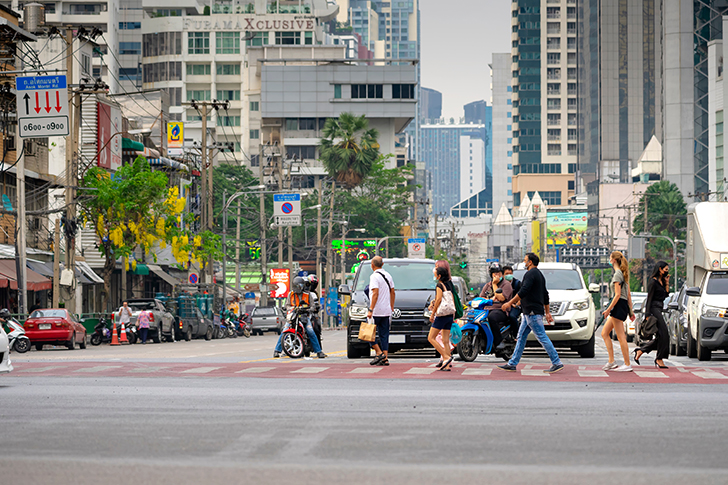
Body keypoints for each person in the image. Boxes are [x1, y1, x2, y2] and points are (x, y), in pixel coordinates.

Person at [499, 253, 564, 374]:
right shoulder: (539, 275)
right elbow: (544, 295)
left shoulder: (530, 274)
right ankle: (512, 363)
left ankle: (556, 362)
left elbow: (524, 291)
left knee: (541, 336)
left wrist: (509, 303)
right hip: (529, 312)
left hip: (532, 312)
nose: (524, 263)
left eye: (525, 260)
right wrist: (547, 312)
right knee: (521, 337)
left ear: (530, 262)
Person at [273, 276, 326, 359]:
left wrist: (307, 309)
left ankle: (319, 351)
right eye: (296, 286)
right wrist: (293, 308)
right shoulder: (291, 294)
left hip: (304, 316)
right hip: (293, 316)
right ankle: (277, 351)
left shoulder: (307, 295)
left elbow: (312, 306)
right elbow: (287, 305)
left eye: (299, 286)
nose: (298, 288)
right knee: (284, 330)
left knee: (310, 331)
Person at [600, 251, 636, 372]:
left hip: (619, 305)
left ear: (613, 260)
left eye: (610, 258)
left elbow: (617, 295)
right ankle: (612, 361)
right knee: (604, 333)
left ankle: (627, 364)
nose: (609, 260)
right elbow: (629, 295)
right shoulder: (623, 274)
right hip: (622, 305)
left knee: (621, 336)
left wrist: (607, 310)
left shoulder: (617, 275)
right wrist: (631, 312)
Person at [634, 261, 671, 368]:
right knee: (664, 334)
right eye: (665, 270)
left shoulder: (661, 281)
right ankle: (659, 358)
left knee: (661, 336)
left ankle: (641, 351)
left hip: (659, 308)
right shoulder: (652, 282)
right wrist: (647, 314)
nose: (667, 272)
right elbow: (649, 299)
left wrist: (667, 282)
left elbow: (665, 295)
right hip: (654, 309)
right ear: (660, 269)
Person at [367, 256, 395, 366]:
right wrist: (391, 306)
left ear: (372, 265)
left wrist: (371, 309)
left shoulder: (374, 277)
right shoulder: (388, 275)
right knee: (384, 335)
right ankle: (385, 358)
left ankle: (379, 353)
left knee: (368, 334)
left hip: (376, 311)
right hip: (386, 311)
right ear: (382, 264)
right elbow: (393, 292)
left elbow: (375, 293)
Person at [479, 265, 514, 351]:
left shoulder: (506, 284)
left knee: (492, 317)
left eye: (499, 273)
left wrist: (495, 284)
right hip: (486, 309)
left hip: (500, 310)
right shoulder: (487, 285)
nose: (497, 275)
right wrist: (489, 299)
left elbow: (501, 298)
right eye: (495, 273)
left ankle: (499, 341)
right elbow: (481, 298)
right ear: (491, 275)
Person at [428, 265, 456, 371]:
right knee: (445, 340)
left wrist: (433, 313)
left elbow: (439, 299)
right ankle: (447, 364)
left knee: (431, 338)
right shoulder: (449, 284)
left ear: (439, 276)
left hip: (441, 315)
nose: (434, 275)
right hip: (449, 314)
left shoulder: (439, 285)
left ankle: (446, 356)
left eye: (435, 273)